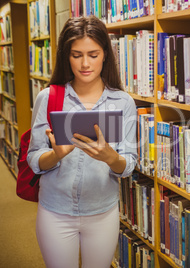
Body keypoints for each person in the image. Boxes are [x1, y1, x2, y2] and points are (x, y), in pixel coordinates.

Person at [27, 15, 137, 268]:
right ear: (66, 56)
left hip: (102, 211)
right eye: (76, 55)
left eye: (93, 54)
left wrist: (110, 158)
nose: (85, 63)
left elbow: (128, 164)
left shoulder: (122, 102)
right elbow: (34, 159)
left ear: (105, 55)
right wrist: (56, 154)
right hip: (55, 210)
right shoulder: (48, 98)